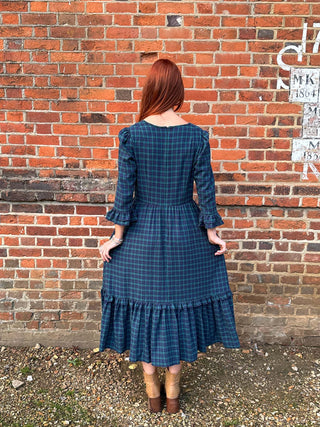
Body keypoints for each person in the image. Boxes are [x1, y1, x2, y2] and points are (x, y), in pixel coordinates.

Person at [99, 58, 240, 414]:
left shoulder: (132, 134)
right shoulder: (196, 136)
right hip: (184, 230)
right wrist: (212, 233)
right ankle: (173, 396)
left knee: (145, 305)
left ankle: (152, 395)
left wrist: (116, 236)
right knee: (177, 305)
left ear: (151, 89)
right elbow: (205, 190)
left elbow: (124, 192)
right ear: (177, 90)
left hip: (142, 229)